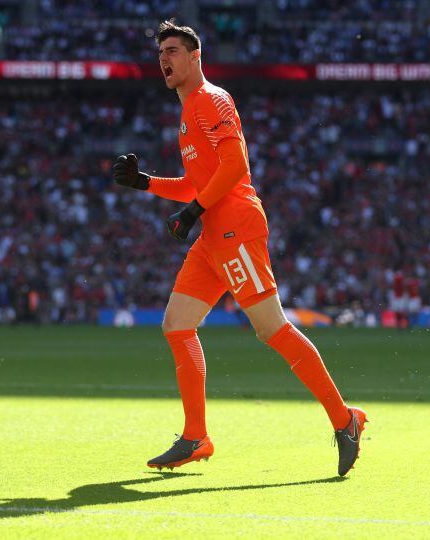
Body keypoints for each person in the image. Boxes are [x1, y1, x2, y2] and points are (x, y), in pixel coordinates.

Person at [112, 20, 367, 477]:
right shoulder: (189, 112)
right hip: (214, 233)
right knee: (176, 325)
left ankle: (345, 420)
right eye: (160, 53)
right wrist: (145, 183)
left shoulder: (211, 99)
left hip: (234, 228)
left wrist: (191, 213)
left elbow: (235, 165)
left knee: (273, 329)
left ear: (195, 57)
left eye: (173, 50)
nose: (164, 59)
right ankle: (196, 436)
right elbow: (196, 183)